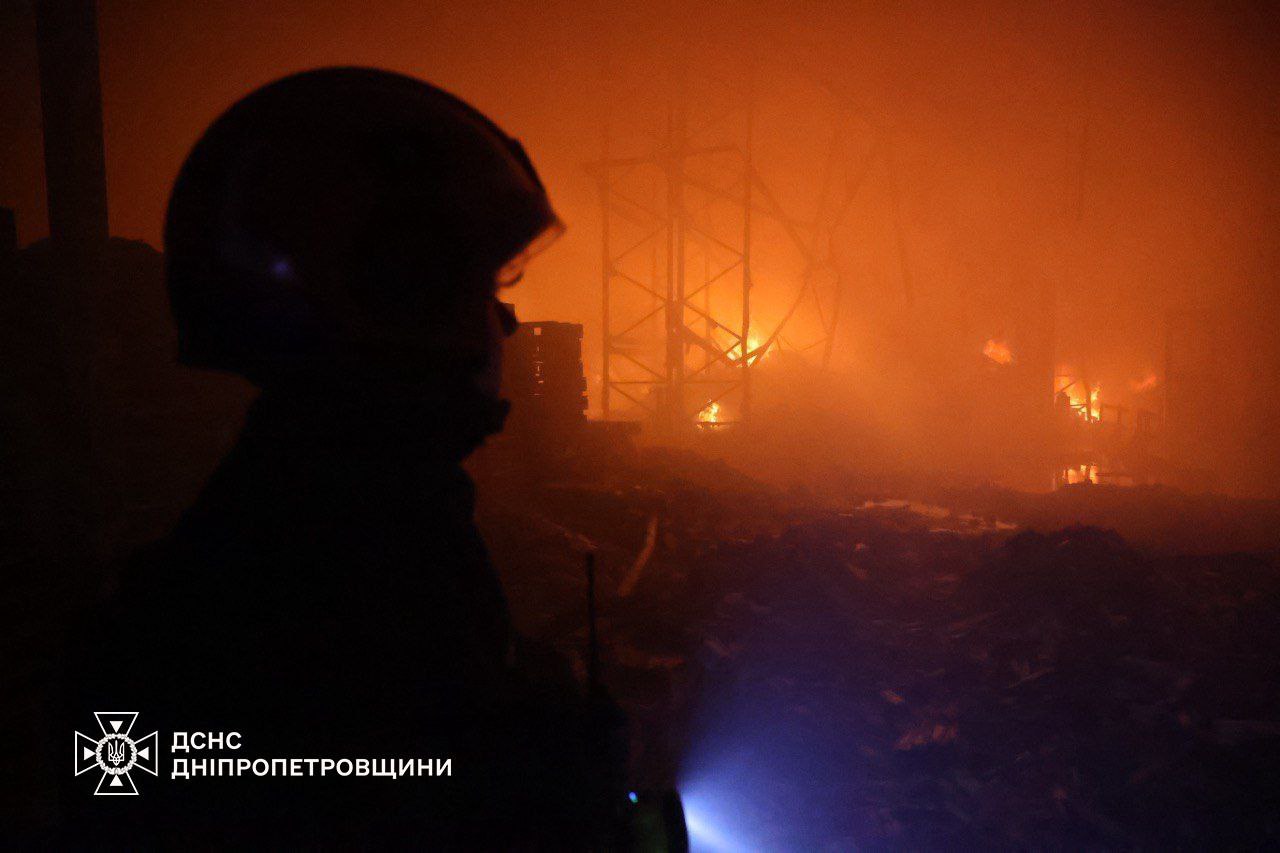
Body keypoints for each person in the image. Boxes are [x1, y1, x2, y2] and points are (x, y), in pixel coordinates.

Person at [61, 67, 621, 847]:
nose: (504, 323)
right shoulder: (353, 573)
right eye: (480, 286)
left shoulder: (291, 523)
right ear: (401, 295)